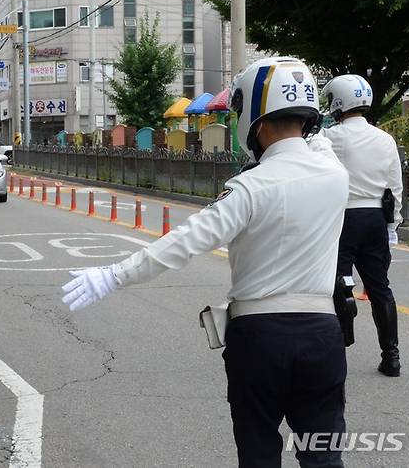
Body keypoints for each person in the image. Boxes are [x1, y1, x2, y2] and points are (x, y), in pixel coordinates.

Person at [61, 56, 350, 467]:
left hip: (260, 337)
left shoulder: (250, 187)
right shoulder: (335, 176)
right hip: (323, 334)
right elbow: (319, 145)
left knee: (259, 453)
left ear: (257, 119)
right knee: (323, 456)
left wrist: (112, 276)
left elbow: (184, 242)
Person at [319, 75, 403, 377]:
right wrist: (393, 227)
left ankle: (338, 349)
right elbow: (394, 189)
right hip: (376, 219)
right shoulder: (385, 139)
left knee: (339, 283)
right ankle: (391, 357)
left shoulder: (331, 137)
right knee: (381, 287)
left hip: (344, 217)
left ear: (340, 101)